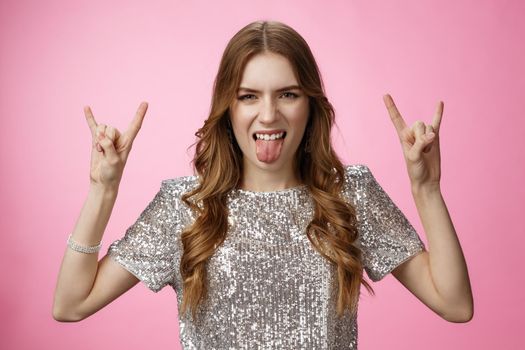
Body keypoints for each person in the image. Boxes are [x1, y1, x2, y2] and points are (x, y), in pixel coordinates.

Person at [53, 20, 473, 349]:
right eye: (249, 95)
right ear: (227, 107)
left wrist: (428, 189)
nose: (268, 115)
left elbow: (454, 305)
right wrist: (102, 190)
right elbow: (71, 305)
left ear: (310, 105)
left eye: (287, 94)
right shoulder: (185, 206)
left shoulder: (350, 196)